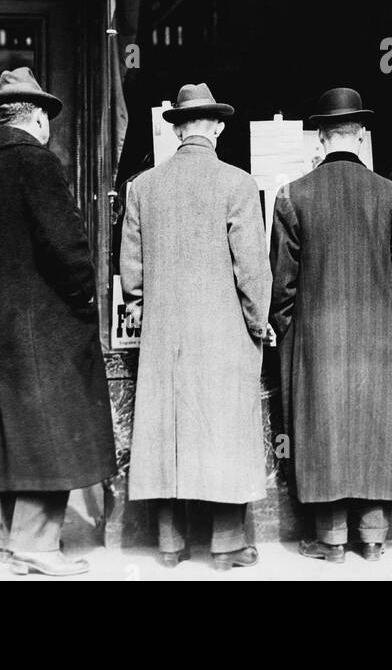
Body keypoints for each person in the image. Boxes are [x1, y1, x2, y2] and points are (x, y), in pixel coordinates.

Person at [0, 67, 116, 577]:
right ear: (39, 117)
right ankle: (36, 546)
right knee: (52, 429)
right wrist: (83, 300)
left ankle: (12, 539)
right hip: (45, 322)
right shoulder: (38, 163)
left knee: (11, 429)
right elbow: (67, 248)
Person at [119, 83, 272, 571]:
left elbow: (132, 269)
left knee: (168, 433)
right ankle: (227, 546)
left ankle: (170, 543)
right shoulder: (238, 184)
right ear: (218, 128)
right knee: (224, 431)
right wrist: (259, 322)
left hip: (165, 335)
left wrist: (140, 307)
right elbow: (252, 269)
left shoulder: (143, 186)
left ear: (178, 129)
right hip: (224, 334)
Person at [269, 87, 392, 563]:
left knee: (325, 434)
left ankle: (332, 538)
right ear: (361, 135)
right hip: (379, 341)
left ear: (320, 137)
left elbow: (282, 288)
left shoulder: (292, 195)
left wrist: (292, 337)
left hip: (317, 343)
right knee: (375, 431)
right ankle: (374, 537)